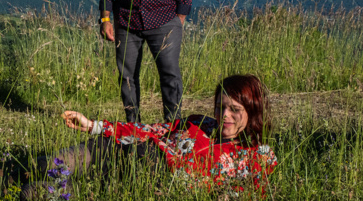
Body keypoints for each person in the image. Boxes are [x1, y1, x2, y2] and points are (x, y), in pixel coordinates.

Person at [50, 75, 277, 191]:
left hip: (143, 179)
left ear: (253, 110)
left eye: (235, 109)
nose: (224, 115)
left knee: (49, 191)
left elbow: (253, 193)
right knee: (49, 164)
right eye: (220, 107)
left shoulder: (258, 154)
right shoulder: (200, 122)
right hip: (120, 150)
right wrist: (94, 126)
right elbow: (151, 130)